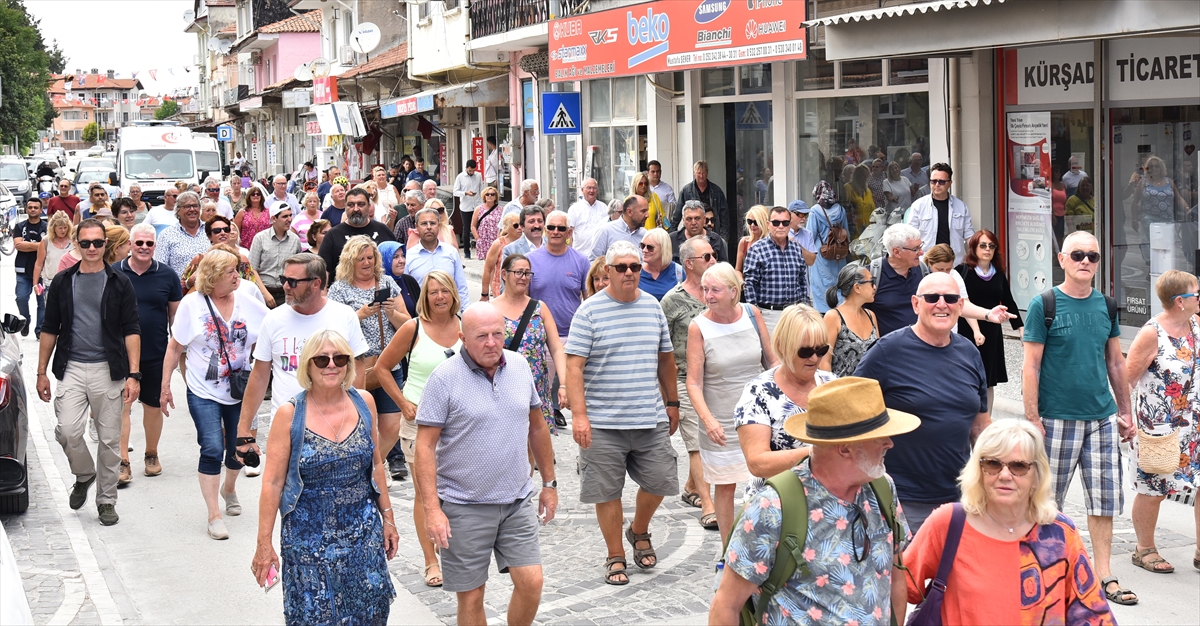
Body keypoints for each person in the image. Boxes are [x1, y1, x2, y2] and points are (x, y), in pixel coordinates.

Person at [711, 376, 917, 626]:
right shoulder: (774, 507)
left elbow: (895, 577)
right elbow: (726, 604)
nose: (890, 443)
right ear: (845, 449)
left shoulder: (883, 488)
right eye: (878, 436)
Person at [415, 303, 556, 625]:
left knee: (531, 582)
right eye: (482, 336)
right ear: (463, 338)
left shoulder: (520, 366)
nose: (492, 343)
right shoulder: (444, 378)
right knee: (472, 595)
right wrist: (433, 509)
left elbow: (537, 426)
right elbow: (424, 446)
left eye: (497, 334)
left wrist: (549, 483)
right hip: (463, 505)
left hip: (516, 499)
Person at [903, 419, 1116, 624]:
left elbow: (1093, 614)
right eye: (993, 464)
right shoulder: (949, 523)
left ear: (1036, 476)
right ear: (979, 471)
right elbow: (898, 586)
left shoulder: (1060, 533)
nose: (1005, 475)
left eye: (1019, 466)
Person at [1021, 230, 1137, 605]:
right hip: (1056, 419)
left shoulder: (1107, 304)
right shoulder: (1045, 303)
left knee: (1104, 501)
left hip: (1101, 419)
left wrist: (1125, 411)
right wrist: (1032, 418)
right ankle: (1045, 568)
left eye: (1092, 256)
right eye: (1077, 255)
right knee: (1045, 499)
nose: (1085, 261)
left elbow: (1116, 362)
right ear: (1062, 260)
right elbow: (1031, 366)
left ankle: (1104, 574)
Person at [252, 329, 398, 622]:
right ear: (307, 365)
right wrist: (263, 544)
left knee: (370, 612)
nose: (332, 365)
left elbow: (376, 464)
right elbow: (272, 483)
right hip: (308, 541)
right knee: (314, 617)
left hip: (362, 536)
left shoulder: (364, 403)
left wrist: (389, 519)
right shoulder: (289, 415)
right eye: (322, 359)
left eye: (339, 358)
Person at [565, 240, 679, 585]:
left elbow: (666, 359)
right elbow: (574, 367)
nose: (629, 272)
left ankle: (638, 529)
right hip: (602, 421)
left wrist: (672, 402)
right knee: (607, 491)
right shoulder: (589, 311)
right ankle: (615, 554)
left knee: (661, 480)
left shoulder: (653, 307)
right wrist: (580, 415)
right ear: (608, 272)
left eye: (635, 267)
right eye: (622, 268)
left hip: (649, 414)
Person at [854, 272, 989, 532]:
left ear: (960, 306)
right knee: (908, 573)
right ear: (916, 303)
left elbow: (980, 426)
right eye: (932, 297)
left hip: (961, 497)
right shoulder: (886, 352)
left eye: (950, 298)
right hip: (904, 499)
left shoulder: (970, 353)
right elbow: (851, 414)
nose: (942, 304)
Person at [36, 218, 141, 526]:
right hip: (71, 367)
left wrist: (134, 375)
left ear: (105, 244)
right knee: (67, 430)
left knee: (109, 439)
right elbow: (48, 328)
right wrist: (41, 371)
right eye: (86, 243)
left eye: (97, 242)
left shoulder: (119, 282)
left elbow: (131, 330)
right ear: (76, 244)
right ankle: (84, 474)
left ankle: (106, 500)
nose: (92, 248)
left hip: (108, 370)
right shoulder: (63, 280)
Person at [160, 249, 268, 538]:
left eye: (237, 270)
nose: (237, 276)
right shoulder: (191, 304)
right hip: (202, 389)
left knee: (239, 448)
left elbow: (270, 330)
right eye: (231, 271)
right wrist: (165, 385)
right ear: (213, 275)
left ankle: (229, 488)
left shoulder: (247, 299)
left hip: (239, 389)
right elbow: (175, 347)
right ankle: (213, 515)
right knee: (210, 447)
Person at [234, 254, 370, 477]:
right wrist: (244, 428)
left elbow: (358, 369)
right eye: (283, 279)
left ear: (316, 283)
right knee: (281, 491)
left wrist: (356, 416)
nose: (286, 286)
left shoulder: (343, 316)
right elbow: (259, 377)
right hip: (287, 426)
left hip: (336, 425)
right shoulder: (274, 319)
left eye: (293, 282)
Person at [374, 270, 463, 587]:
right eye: (433, 291)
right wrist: (402, 403)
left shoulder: (466, 327)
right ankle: (430, 561)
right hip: (419, 422)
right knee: (426, 492)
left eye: (445, 291)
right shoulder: (413, 328)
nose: (440, 296)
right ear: (425, 296)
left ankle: (452, 550)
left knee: (454, 492)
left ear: (453, 293)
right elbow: (382, 368)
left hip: (460, 424)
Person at [686, 262, 774, 541]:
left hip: (758, 416)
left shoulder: (752, 314)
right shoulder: (698, 327)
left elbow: (771, 362)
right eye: (705, 289)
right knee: (725, 486)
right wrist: (708, 420)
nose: (708, 296)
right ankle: (727, 549)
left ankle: (765, 540)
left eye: (715, 290)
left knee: (768, 480)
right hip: (721, 418)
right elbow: (694, 382)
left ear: (733, 291)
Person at [1124, 269, 1200, 575]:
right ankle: (1144, 549)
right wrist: (1123, 418)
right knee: (1153, 487)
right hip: (1159, 427)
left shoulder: (1196, 325)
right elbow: (1125, 380)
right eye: (1197, 294)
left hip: (1194, 424)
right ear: (1180, 301)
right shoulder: (1150, 333)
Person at [734, 305, 837, 497]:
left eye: (821, 350)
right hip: (778, 503)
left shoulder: (833, 384)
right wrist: (818, 453)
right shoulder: (759, 392)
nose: (815, 358)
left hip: (830, 503)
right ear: (782, 346)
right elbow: (757, 462)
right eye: (805, 351)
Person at [660, 236, 720, 527]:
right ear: (688, 264)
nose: (713, 260)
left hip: (717, 379)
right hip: (685, 380)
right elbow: (661, 349)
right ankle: (708, 506)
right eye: (707, 257)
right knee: (698, 442)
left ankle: (691, 487)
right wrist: (666, 392)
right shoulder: (672, 301)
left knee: (714, 438)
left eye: (713, 255)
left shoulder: (718, 294)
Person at [116, 224, 181, 483]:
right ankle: (122, 461)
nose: (144, 247)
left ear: (155, 246)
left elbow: (175, 314)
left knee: (154, 406)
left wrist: (178, 348)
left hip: (156, 351)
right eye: (139, 243)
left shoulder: (167, 275)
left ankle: (151, 454)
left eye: (149, 244)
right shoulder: (113, 274)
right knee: (122, 407)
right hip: (120, 354)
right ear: (130, 244)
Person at [491, 254, 568, 435]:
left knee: (533, 441)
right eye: (518, 272)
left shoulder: (539, 308)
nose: (524, 277)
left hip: (535, 388)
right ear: (504, 274)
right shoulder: (490, 309)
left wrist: (563, 384)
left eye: (527, 273)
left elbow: (556, 348)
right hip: (502, 387)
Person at [954, 230, 1023, 412]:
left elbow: (1008, 301)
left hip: (992, 332)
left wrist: (1021, 329)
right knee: (968, 375)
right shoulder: (962, 271)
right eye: (983, 245)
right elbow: (960, 304)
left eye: (991, 246)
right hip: (968, 330)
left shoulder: (998, 273)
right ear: (973, 248)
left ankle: (987, 419)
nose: (987, 249)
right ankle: (966, 416)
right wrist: (976, 330)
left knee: (989, 379)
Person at [742, 205, 811, 332]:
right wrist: (755, 312)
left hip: (794, 313)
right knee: (771, 352)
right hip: (768, 315)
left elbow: (802, 281)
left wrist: (805, 308)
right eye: (776, 222)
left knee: (795, 351)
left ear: (789, 225)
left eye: (785, 223)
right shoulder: (757, 249)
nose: (780, 226)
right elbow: (750, 283)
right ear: (768, 224)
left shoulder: (796, 248)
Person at [179, 216, 273, 305]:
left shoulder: (241, 259)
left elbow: (253, 287)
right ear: (209, 236)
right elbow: (180, 289)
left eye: (226, 229)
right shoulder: (201, 260)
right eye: (217, 231)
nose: (223, 233)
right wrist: (189, 282)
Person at [317, 188, 397, 285]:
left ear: (369, 206)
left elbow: (396, 262)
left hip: (381, 293)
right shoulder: (333, 235)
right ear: (345, 207)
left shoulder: (383, 230)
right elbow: (323, 270)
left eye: (361, 204)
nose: (355, 209)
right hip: (342, 295)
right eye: (350, 205)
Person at [907, 163, 975, 265]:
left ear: (950, 183)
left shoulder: (961, 207)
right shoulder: (918, 206)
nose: (937, 185)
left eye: (942, 182)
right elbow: (910, 236)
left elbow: (970, 236)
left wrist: (976, 256)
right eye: (933, 181)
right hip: (926, 265)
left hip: (954, 265)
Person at [821, 262, 879, 377]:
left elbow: (879, 356)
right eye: (871, 282)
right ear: (857, 287)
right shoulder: (833, 317)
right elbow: (824, 361)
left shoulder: (871, 316)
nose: (875, 287)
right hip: (842, 390)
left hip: (869, 389)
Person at [406, 208, 470, 309]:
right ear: (416, 227)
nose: (428, 227)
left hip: (449, 313)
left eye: (432, 223)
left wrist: (465, 312)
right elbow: (406, 291)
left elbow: (461, 286)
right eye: (423, 224)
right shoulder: (409, 257)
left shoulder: (451, 252)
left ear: (439, 226)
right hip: (421, 313)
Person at [808, 182, 851, 313]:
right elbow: (846, 234)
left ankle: (823, 311)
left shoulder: (815, 211)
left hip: (822, 253)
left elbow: (810, 235)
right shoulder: (841, 210)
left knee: (819, 284)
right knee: (838, 282)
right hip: (838, 252)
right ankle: (839, 309)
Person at [250, 203, 303, 306]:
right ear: (274, 219)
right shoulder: (260, 238)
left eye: (290, 215)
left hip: (286, 293)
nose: (289, 219)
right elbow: (252, 269)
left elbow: (298, 268)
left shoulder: (295, 239)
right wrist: (265, 293)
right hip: (264, 291)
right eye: (285, 216)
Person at [154, 191, 211, 279]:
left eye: (195, 206)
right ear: (178, 210)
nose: (192, 209)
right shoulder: (166, 235)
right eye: (187, 206)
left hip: (212, 288)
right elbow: (160, 268)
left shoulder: (211, 230)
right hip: (180, 290)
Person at [12, 197, 47, 337]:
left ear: (41, 209)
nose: (33, 209)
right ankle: (25, 322)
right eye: (30, 207)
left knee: (42, 302)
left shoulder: (47, 227)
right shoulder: (20, 226)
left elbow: (48, 246)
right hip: (23, 271)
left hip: (42, 272)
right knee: (21, 298)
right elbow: (18, 245)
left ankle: (40, 330)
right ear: (26, 209)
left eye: (36, 207)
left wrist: (28, 245)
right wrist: (40, 245)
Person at [675, 161, 729, 241]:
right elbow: (677, 213)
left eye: (703, 173)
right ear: (694, 173)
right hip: (693, 232)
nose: (701, 176)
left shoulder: (716, 191)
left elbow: (724, 215)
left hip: (712, 231)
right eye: (698, 173)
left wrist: (724, 236)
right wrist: (673, 234)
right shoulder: (686, 191)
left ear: (707, 172)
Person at [589, 194, 649, 262]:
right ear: (629, 212)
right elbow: (594, 263)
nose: (647, 215)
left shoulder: (645, 235)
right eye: (643, 211)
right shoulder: (605, 231)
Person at [32, 211, 74, 300]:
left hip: (71, 282)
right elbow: (39, 263)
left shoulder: (73, 240)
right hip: (51, 283)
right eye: (60, 228)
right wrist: (35, 284)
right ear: (53, 228)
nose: (63, 230)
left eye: (65, 227)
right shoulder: (46, 241)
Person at [480, 213, 522, 303]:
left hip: (521, 287)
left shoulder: (526, 242)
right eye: (516, 225)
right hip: (501, 289)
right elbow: (488, 269)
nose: (520, 228)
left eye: (521, 224)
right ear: (506, 227)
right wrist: (485, 293)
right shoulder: (498, 244)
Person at [669, 200, 727, 264]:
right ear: (683, 221)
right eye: (689, 219)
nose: (693, 223)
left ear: (704, 219)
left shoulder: (715, 240)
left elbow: (723, 269)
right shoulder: (672, 239)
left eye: (697, 218)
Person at [567, 178, 608, 256]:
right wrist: (569, 253)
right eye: (589, 188)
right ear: (582, 190)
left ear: (597, 190)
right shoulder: (574, 209)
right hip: (580, 254)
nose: (591, 191)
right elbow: (569, 233)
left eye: (594, 188)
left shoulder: (604, 207)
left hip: (599, 256)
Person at [637, 228, 681, 301]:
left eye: (650, 247)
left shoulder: (679, 272)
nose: (644, 250)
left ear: (663, 249)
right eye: (642, 246)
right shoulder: (636, 271)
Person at [453, 160, 483, 258]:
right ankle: (467, 252)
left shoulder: (478, 176)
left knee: (480, 228)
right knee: (466, 229)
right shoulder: (460, 177)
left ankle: (481, 251)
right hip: (466, 206)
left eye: (473, 171)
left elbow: (481, 190)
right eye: (470, 171)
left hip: (477, 205)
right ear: (466, 168)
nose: (471, 173)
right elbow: (455, 192)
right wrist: (465, 193)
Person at [234, 179, 272, 250]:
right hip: (247, 247)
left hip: (266, 246)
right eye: (253, 194)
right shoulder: (242, 212)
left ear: (261, 196)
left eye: (258, 194)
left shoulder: (268, 212)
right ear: (249, 196)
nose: (255, 195)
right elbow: (236, 231)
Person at [733, 204, 769, 273]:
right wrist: (742, 282)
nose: (752, 225)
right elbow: (737, 270)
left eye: (756, 222)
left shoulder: (772, 243)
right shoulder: (744, 242)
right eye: (750, 221)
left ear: (765, 223)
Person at [470, 186, 502, 260]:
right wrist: (477, 238)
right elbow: (473, 226)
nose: (490, 196)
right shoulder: (478, 209)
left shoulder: (501, 210)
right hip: (484, 241)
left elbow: (504, 226)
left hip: (496, 240)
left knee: (497, 260)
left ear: (496, 196)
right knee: (487, 263)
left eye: (492, 194)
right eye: (487, 194)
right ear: (484, 196)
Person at [843, 164, 876, 235]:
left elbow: (873, 209)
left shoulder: (868, 191)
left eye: (867, 176)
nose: (866, 179)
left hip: (868, 230)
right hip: (853, 230)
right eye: (863, 176)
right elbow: (845, 209)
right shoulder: (848, 188)